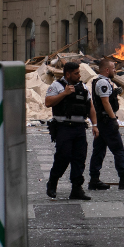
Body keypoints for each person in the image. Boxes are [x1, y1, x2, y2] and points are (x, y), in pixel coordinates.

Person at [44, 62, 97, 200]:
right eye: (76, 73)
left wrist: (95, 125)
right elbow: (48, 102)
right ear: (68, 74)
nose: (79, 75)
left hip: (79, 128)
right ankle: (53, 182)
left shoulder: (83, 87)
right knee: (63, 156)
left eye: (79, 73)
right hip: (63, 127)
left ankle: (76, 189)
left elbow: (90, 107)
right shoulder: (57, 86)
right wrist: (65, 94)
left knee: (79, 158)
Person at [88, 57, 124, 191]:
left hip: (101, 122)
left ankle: (94, 179)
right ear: (106, 70)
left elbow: (107, 99)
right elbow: (105, 102)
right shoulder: (103, 82)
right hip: (106, 122)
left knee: (98, 151)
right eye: (113, 68)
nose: (115, 71)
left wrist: (114, 94)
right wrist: (113, 119)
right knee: (118, 150)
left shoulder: (101, 81)